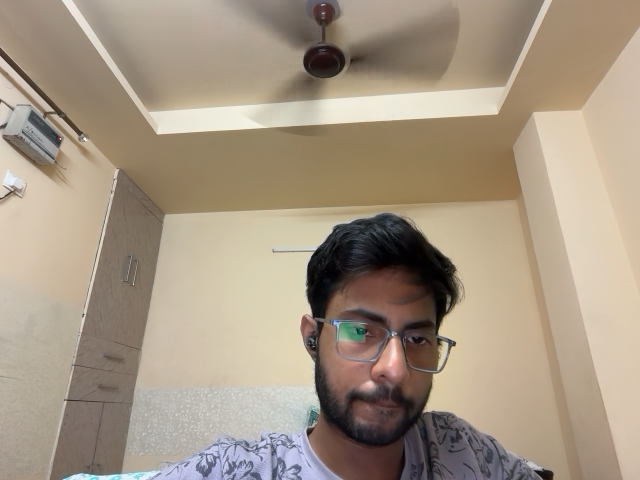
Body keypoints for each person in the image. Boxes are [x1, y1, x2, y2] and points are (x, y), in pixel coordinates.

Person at [152, 213, 541, 480]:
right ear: (312, 338)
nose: (395, 370)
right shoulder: (237, 469)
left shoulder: (458, 446)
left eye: (417, 339)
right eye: (360, 330)